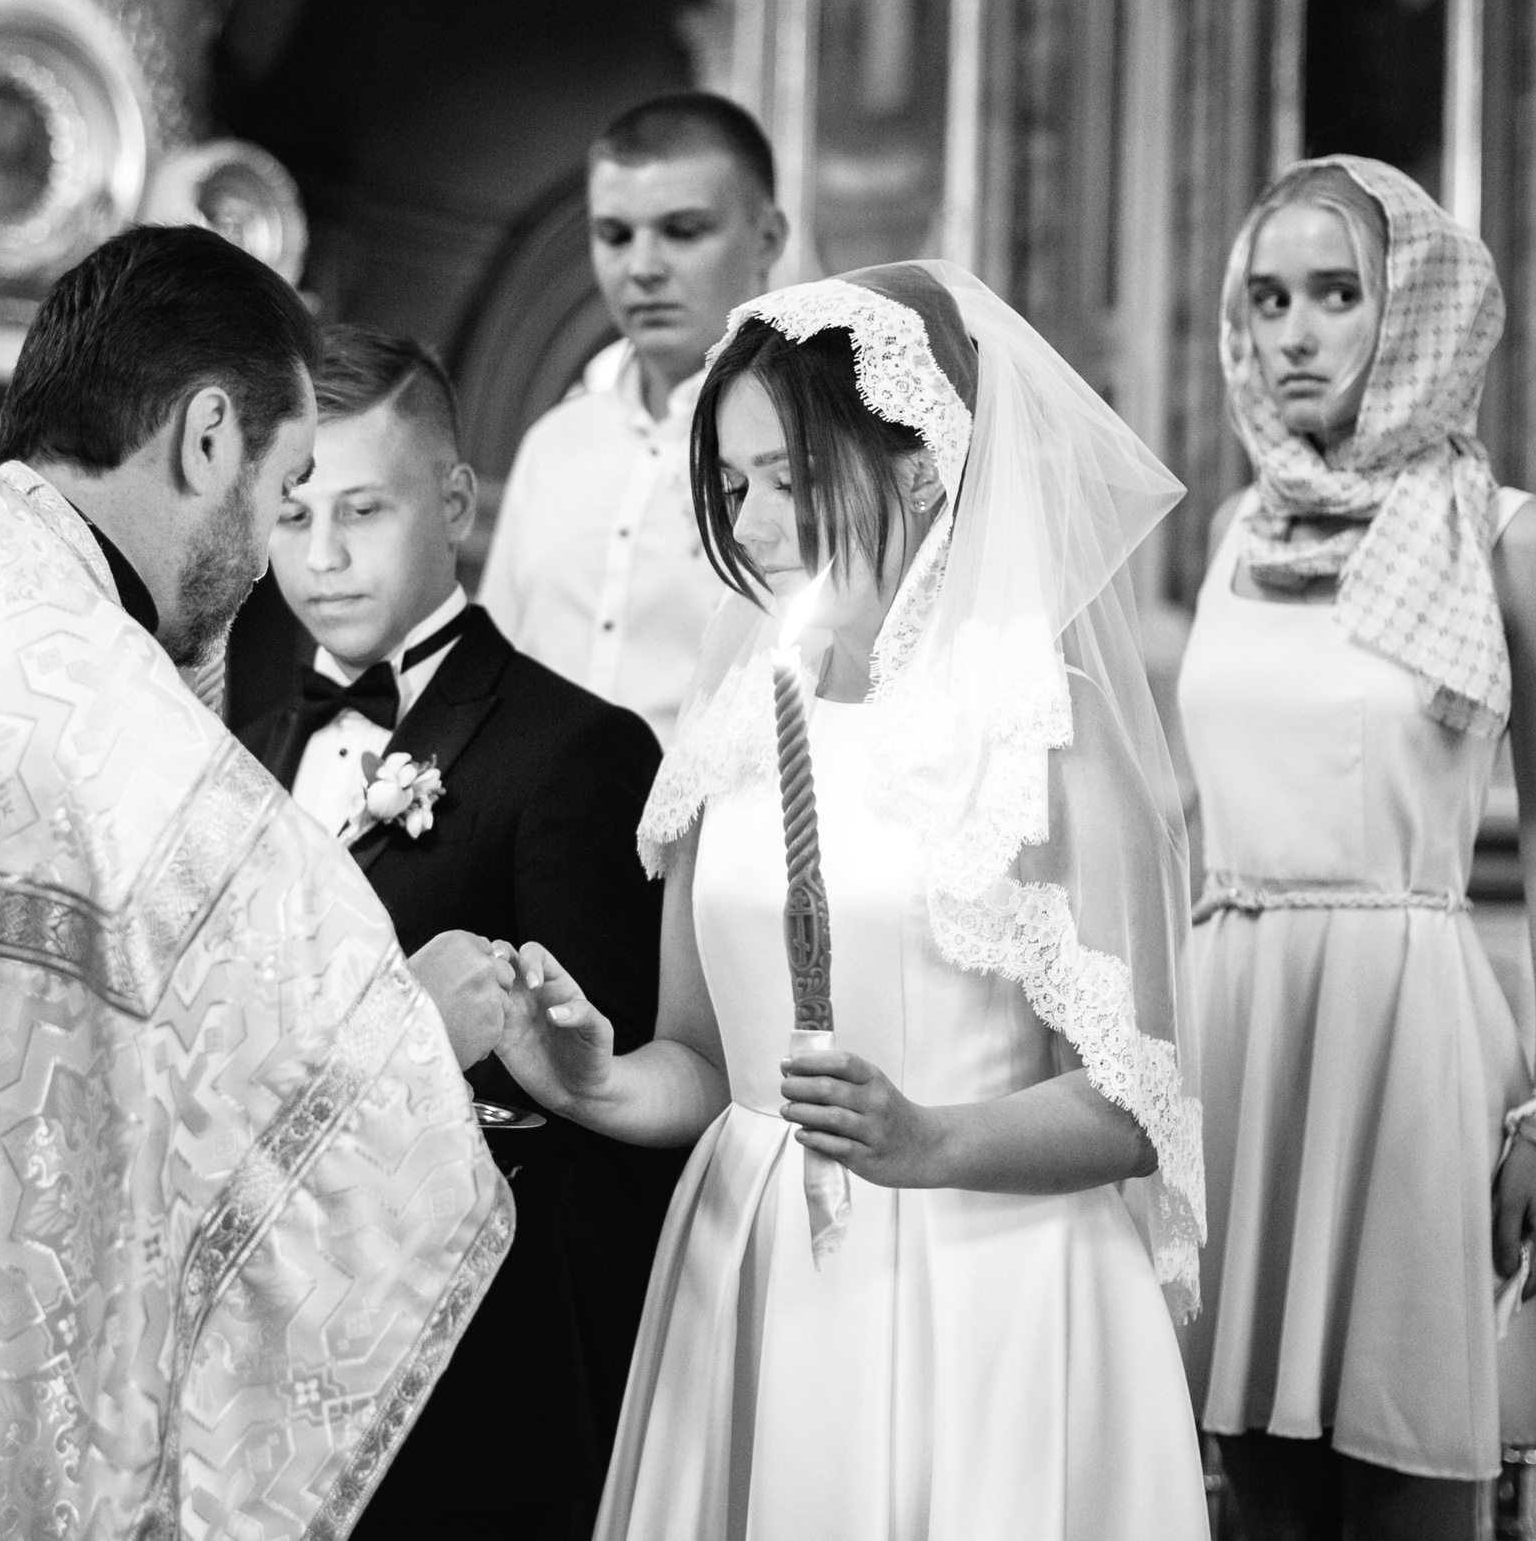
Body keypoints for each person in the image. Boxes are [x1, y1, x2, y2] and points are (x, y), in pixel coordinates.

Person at [0, 228, 528, 1540]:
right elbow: (275, 1105)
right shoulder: (96, 714)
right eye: (286, 489)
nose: (270, 555)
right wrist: (419, 1026)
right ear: (206, 435)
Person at [499, 261, 1213, 1539]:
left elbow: (1132, 1101)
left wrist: (928, 1139)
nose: (756, 522)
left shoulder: (1039, 724)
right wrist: (590, 1079)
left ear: (922, 461)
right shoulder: (732, 725)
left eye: (790, 475)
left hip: (985, 1282)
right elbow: (708, 1060)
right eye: (731, 484)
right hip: (756, 1264)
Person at [1178, 157, 1536, 1539]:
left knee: (1413, 1470)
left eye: (1336, 293)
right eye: (1267, 299)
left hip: (1409, 1030)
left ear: (1416, 312)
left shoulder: (1508, 539)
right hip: (1236, 1034)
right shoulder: (1233, 533)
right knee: (1250, 1489)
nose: (1294, 331)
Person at [237, 325, 679, 1540]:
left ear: (455, 500)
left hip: (488, 1359)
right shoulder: (252, 743)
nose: (321, 557)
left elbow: (604, 1107)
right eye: (291, 512)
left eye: (363, 510)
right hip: (289, 1341)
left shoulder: (578, 750)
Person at [479, 91, 788, 744]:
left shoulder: (808, 442)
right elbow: (495, 664)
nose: (641, 267)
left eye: (682, 231)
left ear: (767, 238)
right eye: (614, 235)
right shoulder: (555, 443)